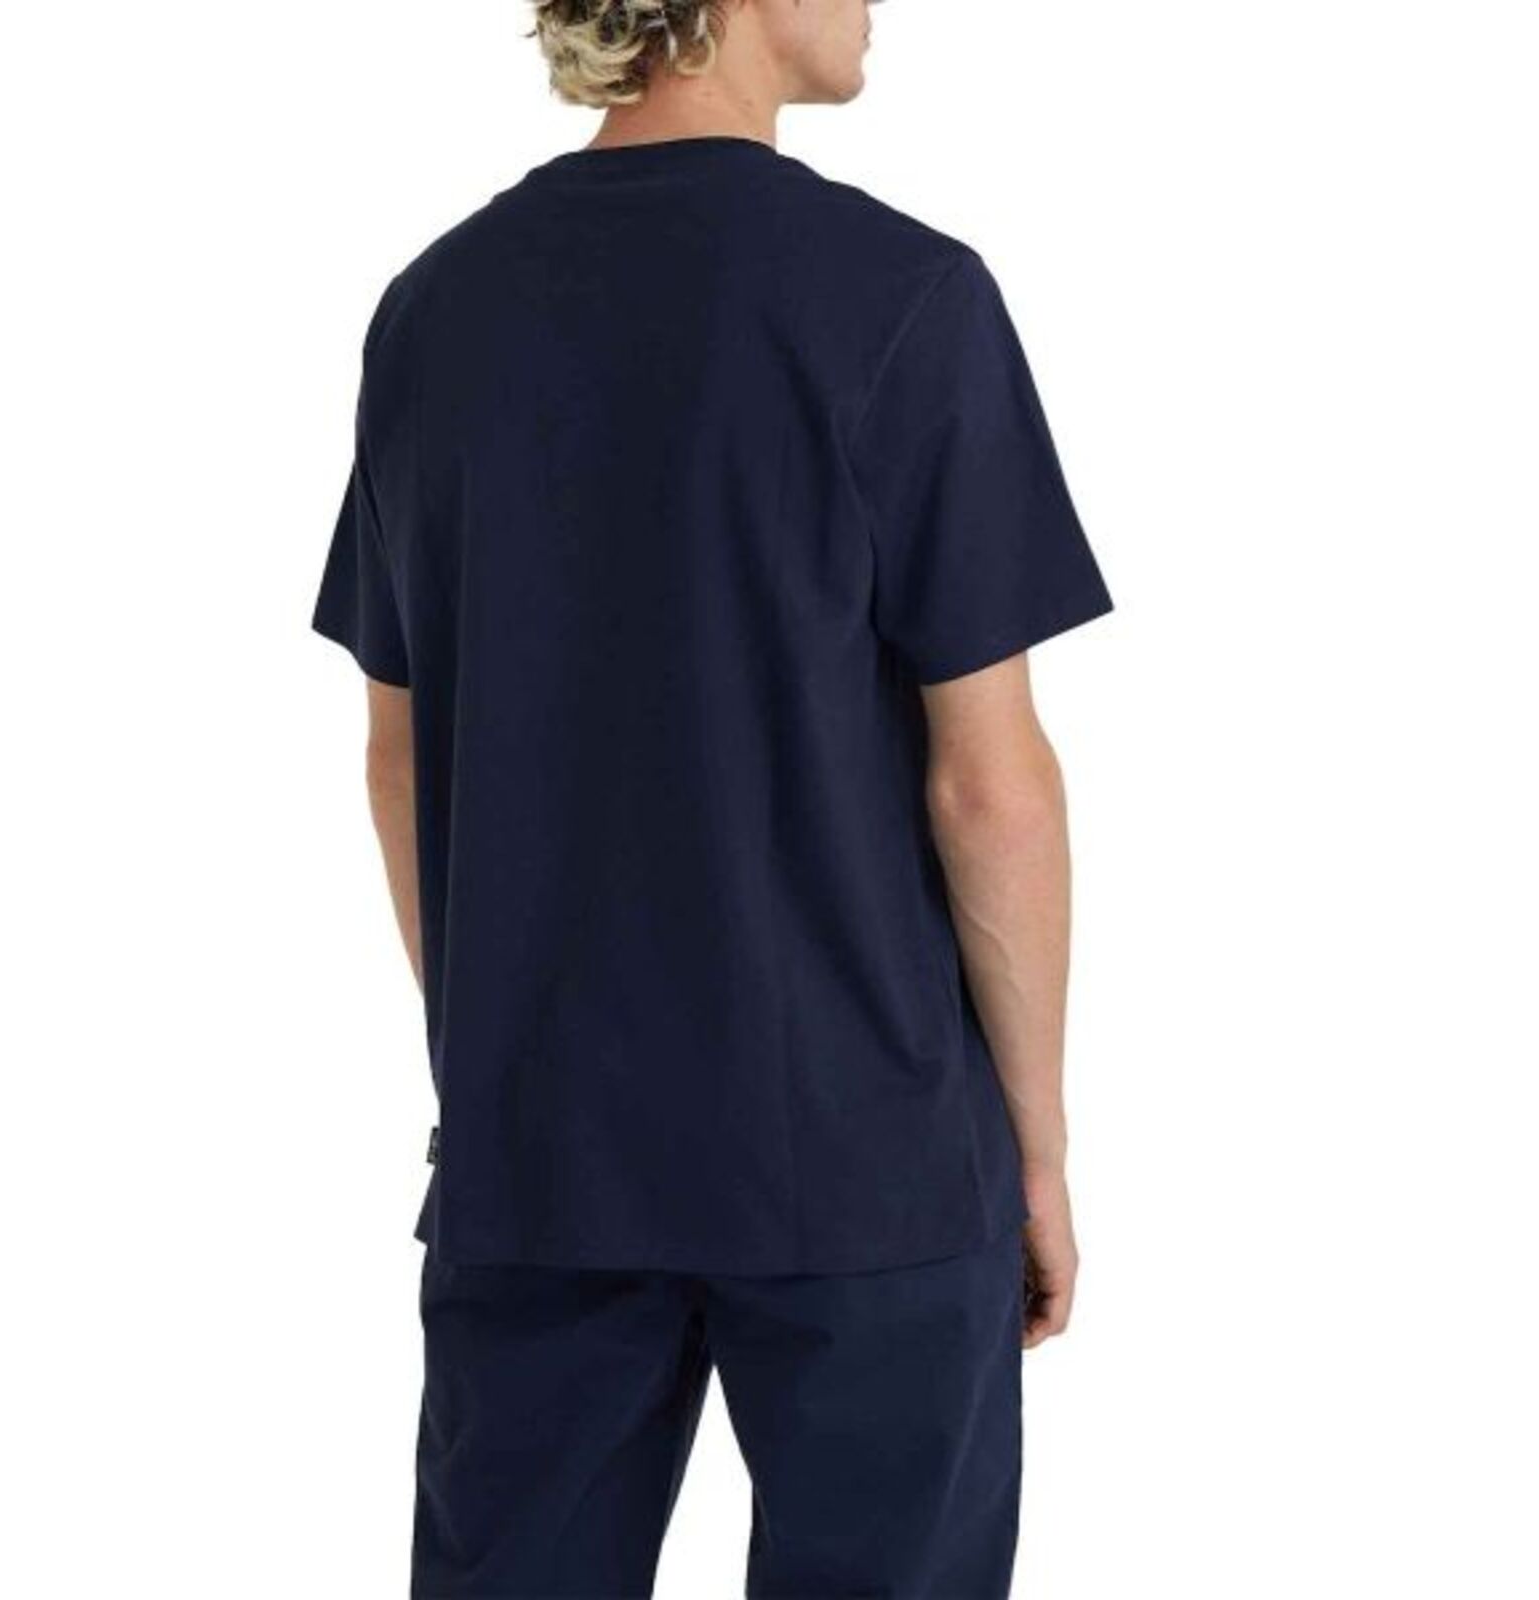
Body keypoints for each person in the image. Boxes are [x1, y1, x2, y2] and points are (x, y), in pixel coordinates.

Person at [309, 2, 1114, 1593]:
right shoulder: (903, 295)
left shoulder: (436, 309)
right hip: (868, 1156)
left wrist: (502, 1063)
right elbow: (988, 785)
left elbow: (400, 754)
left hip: (541, 1150)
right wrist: (1036, 1150)